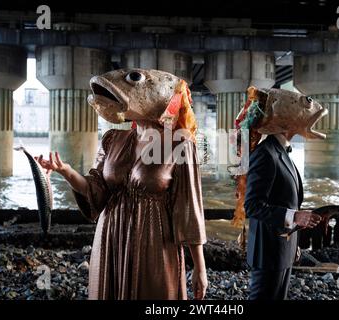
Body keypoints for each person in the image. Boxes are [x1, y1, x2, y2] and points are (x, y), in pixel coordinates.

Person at [36, 69, 208, 300]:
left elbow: (188, 208)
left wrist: (200, 267)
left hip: (154, 243)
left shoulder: (181, 144)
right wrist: (65, 171)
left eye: (135, 79)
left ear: (167, 95)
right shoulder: (113, 139)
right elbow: (95, 192)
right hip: (110, 237)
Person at [245, 132, 322, 300]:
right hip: (267, 252)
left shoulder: (280, 151)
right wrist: (295, 217)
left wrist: (295, 245)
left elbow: (287, 202)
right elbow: (252, 206)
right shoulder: (264, 152)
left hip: (283, 249)